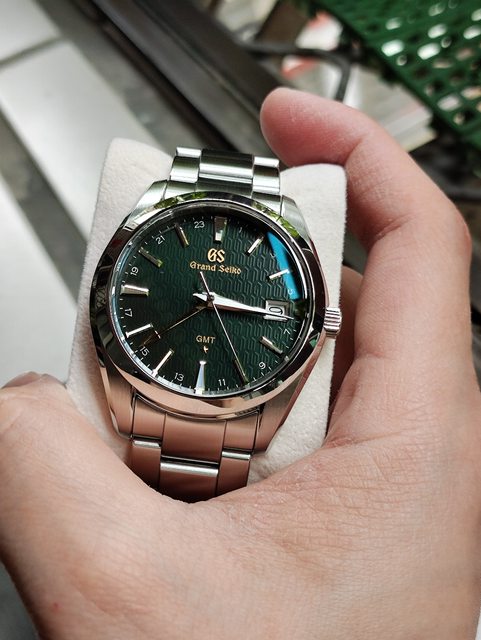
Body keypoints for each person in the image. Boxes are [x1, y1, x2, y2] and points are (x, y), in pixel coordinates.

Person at [1, 88, 480, 639]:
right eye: (207, 297)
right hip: (141, 384)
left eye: (214, 299)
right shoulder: (166, 228)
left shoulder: (295, 288)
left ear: (322, 323)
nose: (208, 300)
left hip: (222, 398)